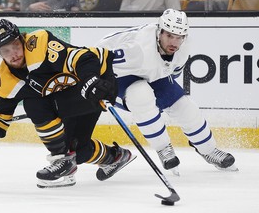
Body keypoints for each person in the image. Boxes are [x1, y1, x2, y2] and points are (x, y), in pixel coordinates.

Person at [0, 19, 136, 188]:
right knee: (78, 151)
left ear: (22, 39)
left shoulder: (39, 44)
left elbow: (84, 58)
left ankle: (61, 159)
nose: (14, 54)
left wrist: (91, 80)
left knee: (34, 105)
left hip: (98, 81)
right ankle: (115, 157)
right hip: (69, 95)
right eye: (6, 51)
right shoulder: (6, 79)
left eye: (15, 45)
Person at [97, 9, 238, 175]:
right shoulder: (136, 49)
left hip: (152, 73)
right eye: (169, 36)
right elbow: (98, 56)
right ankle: (163, 148)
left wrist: (165, 98)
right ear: (159, 32)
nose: (174, 42)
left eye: (179, 37)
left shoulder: (184, 48)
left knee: (184, 107)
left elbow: (170, 72)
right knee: (141, 95)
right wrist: (97, 83)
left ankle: (209, 150)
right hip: (120, 76)